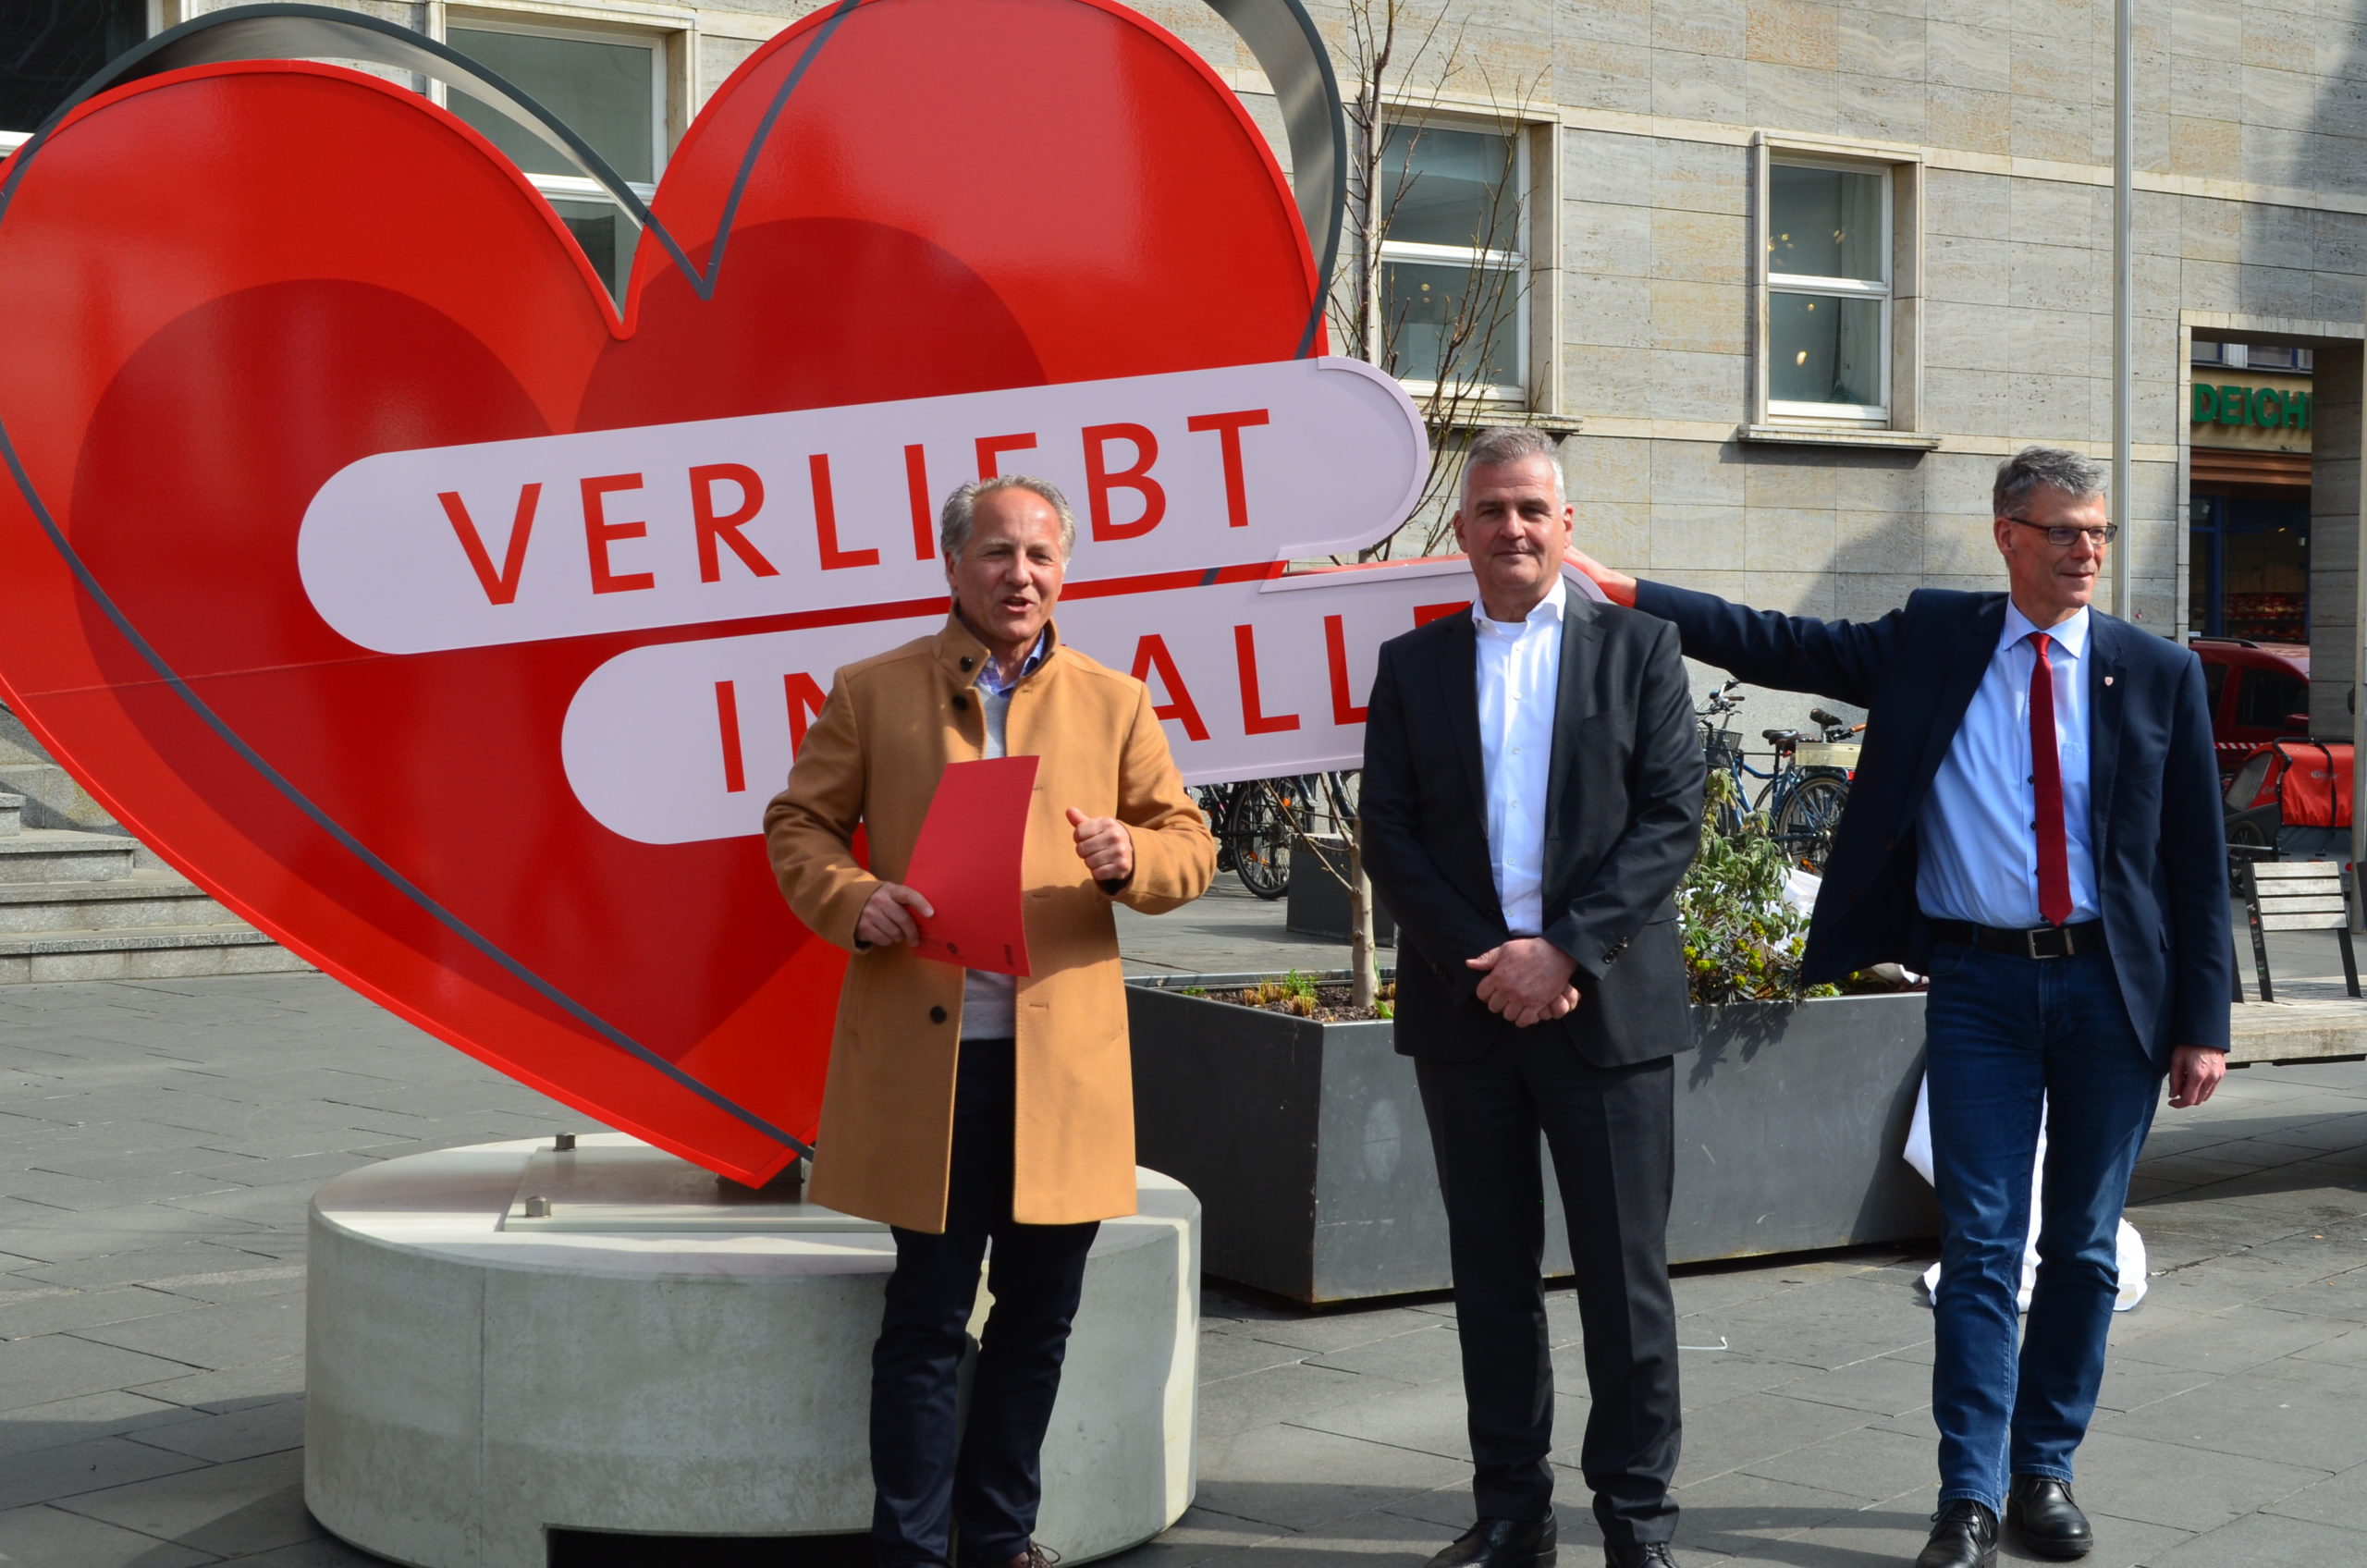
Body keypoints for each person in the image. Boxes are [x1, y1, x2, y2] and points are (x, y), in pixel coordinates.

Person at [1564, 446, 2230, 1568]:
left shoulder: (2152, 670)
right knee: (1978, 1242)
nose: (2086, 552)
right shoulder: (1937, 637)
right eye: (2062, 531)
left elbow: (2193, 864)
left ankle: (2043, 1470)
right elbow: (1779, 642)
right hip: (1977, 986)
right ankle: (1965, 1495)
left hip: (2115, 993)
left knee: (2078, 1249)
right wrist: (1626, 588)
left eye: (2099, 533)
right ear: (2006, 534)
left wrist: (2201, 1020)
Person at [765, 473, 1215, 1568]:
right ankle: (911, 1548)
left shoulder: (1115, 701)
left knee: (1035, 1317)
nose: (1023, 575)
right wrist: (850, 897)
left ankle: (1002, 1535)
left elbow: (1189, 843)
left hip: (1059, 1067)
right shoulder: (872, 691)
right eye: (1000, 554)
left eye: (1043, 556)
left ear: (1067, 569)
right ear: (952, 565)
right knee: (923, 1320)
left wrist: (1133, 858)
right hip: (933, 1064)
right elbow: (798, 824)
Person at [1361, 426, 1704, 1568]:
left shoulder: (1642, 649)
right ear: (1460, 532)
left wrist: (1560, 952)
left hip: (1603, 1020)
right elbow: (1392, 834)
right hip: (1469, 1021)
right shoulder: (1411, 667)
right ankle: (1510, 1512)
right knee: (1491, 1278)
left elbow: (1670, 822)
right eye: (1492, 510)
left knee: (1625, 1288)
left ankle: (1635, 1521)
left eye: (1532, 510)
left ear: (1566, 526)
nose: (1512, 528)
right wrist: (1491, 961)